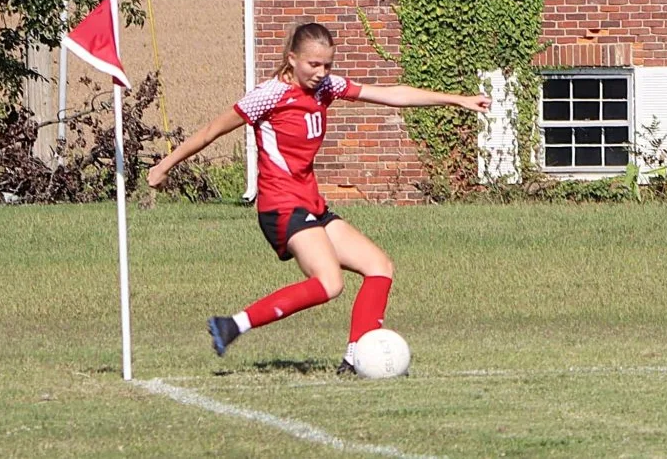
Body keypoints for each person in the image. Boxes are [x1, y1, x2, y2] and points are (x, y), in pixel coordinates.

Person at [147, 22, 490, 375]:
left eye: (327, 64)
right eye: (313, 64)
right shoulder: (268, 94)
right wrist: (164, 166)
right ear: (292, 58)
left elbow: (392, 94)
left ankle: (355, 357)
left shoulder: (327, 88)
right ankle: (233, 325)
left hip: (311, 204)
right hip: (280, 206)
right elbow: (209, 132)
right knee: (330, 283)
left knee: (379, 268)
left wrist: (457, 100)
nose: (321, 72)